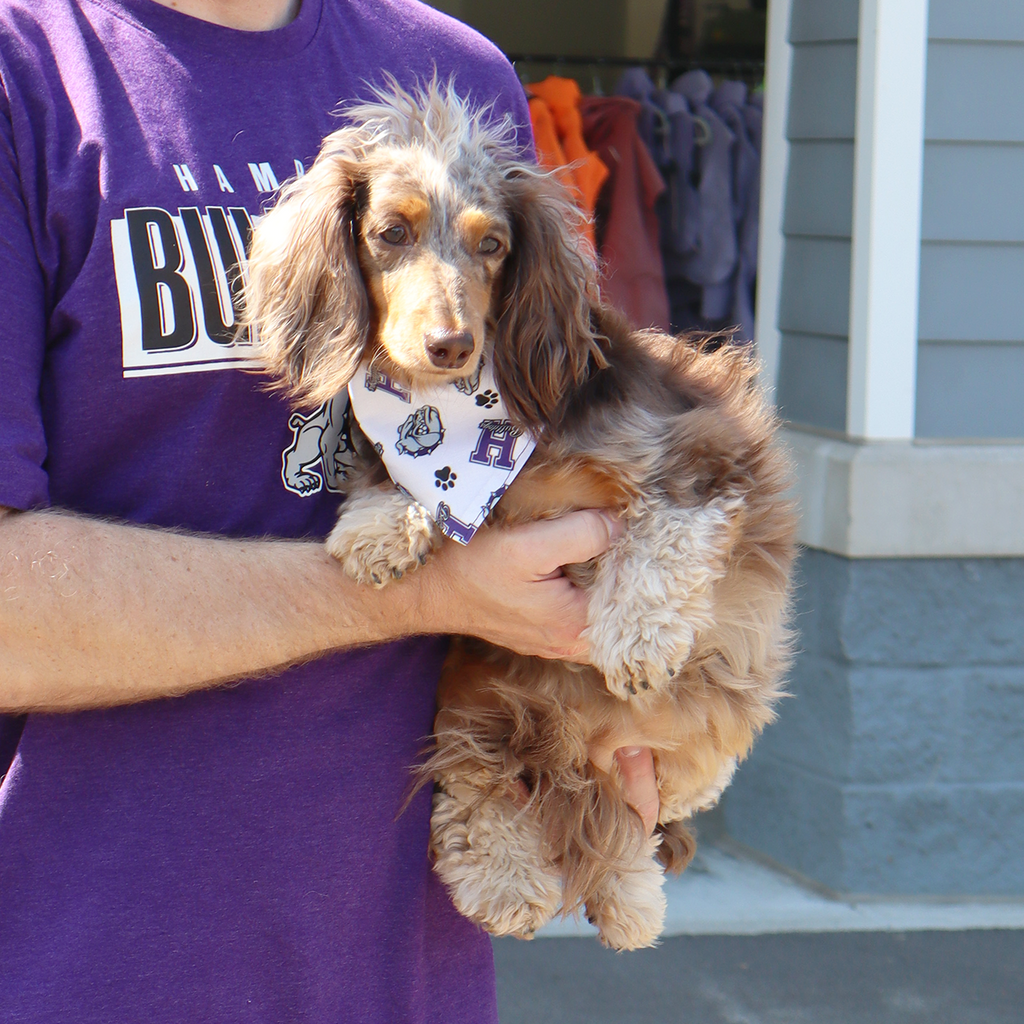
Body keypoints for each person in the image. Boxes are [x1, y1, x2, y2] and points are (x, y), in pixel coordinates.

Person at [0, 1, 658, 1021]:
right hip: (83, 957)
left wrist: (606, 729)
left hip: (400, 962)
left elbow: (534, 453)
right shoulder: (29, 72)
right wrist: (411, 593)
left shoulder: (455, 76)